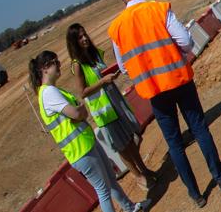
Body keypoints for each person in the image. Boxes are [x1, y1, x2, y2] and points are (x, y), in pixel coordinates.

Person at [108, 0, 221, 208]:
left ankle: (196, 195)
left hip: (154, 91)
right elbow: (185, 41)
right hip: (179, 80)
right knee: (199, 129)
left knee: (174, 144)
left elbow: (123, 67)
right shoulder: (159, 9)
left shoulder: (117, 28)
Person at [29, 51, 144, 212]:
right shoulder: (49, 92)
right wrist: (81, 111)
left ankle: (131, 208)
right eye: (55, 62)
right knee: (103, 190)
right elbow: (76, 112)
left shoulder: (52, 90)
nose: (59, 65)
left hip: (87, 143)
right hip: (80, 151)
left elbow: (78, 111)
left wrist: (80, 111)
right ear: (44, 68)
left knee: (109, 177)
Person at [65, 23, 158, 191]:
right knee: (121, 146)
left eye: (85, 34)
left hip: (115, 102)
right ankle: (138, 176)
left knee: (130, 139)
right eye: (80, 37)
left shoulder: (94, 54)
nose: (85, 38)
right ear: (74, 42)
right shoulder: (77, 64)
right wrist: (102, 81)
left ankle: (143, 169)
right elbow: (82, 92)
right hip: (104, 111)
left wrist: (111, 76)